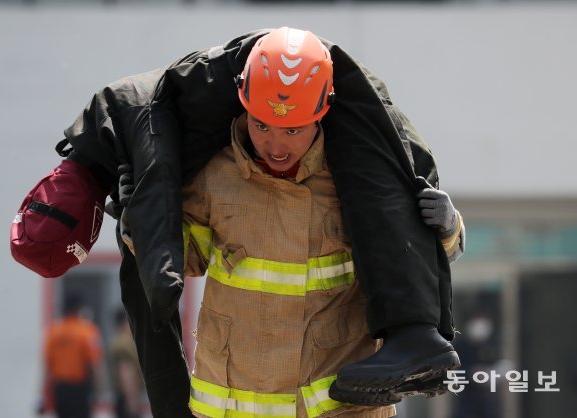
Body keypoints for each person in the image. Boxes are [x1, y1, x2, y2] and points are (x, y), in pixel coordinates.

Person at [51, 27, 464, 416]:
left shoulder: (359, 182)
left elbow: (405, 260)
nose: (275, 144)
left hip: (339, 409)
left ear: (322, 113)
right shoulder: (216, 173)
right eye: (261, 124)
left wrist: (446, 231)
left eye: (292, 129)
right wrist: (138, 222)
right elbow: (185, 257)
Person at [43, 293, 103, 418]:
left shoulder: (54, 331)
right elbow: (94, 366)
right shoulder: (87, 331)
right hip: (80, 389)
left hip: (60, 389)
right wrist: (99, 393)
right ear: (79, 309)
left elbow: (47, 368)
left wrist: (43, 394)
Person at [109, 308, 146, 418]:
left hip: (124, 398)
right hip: (127, 399)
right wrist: (132, 402)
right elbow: (126, 374)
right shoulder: (124, 345)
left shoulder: (118, 342)